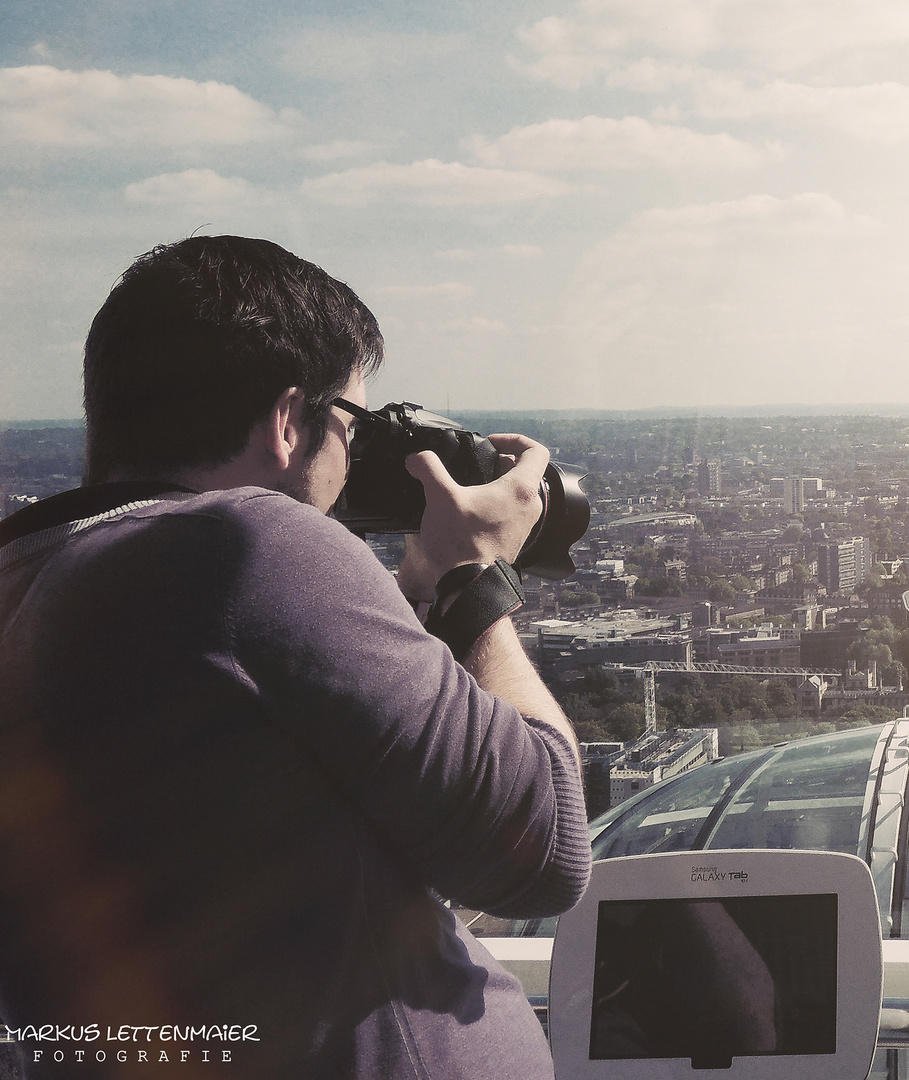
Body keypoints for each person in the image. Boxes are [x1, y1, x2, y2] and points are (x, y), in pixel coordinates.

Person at [0, 236, 590, 1078]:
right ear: (288, 420)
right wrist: (473, 581)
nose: (353, 461)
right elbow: (542, 851)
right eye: (351, 423)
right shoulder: (248, 542)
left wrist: (415, 601)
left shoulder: (31, 579)